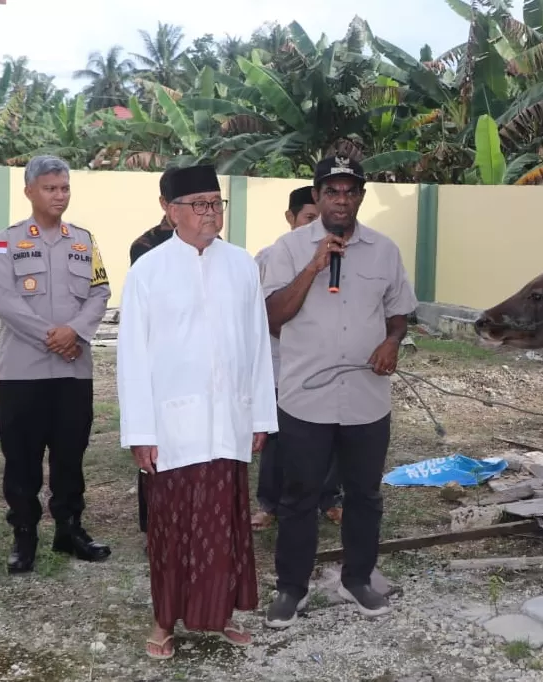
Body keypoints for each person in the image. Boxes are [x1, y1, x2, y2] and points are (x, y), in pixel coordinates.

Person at [117, 164, 277, 657]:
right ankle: (165, 621)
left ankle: (220, 613)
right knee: (172, 529)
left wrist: (260, 416)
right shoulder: (148, 271)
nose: (211, 213)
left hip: (228, 419)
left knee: (223, 524)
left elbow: (257, 346)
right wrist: (141, 431)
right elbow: (132, 357)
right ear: (169, 210)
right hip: (172, 426)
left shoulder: (241, 265)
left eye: (216, 203)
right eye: (199, 204)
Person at [261, 156, 418, 628]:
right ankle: (291, 588)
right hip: (304, 400)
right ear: (317, 197)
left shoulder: (385, 251)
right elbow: (272, 317)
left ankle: (358, 579)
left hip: (367, 398)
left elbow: (398, 311)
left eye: (351, 192)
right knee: (299, 496)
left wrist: (392, 342)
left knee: (365, 495)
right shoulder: (287, 250)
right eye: (333, 191)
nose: (342, 200)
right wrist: (314, 266)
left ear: (360, 198)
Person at [0, 155, 112, 574]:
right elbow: (5, 301)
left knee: (70, 456)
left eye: (64, 188)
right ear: (29, 191)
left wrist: (75, 332)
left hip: (74, 372)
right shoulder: (6, 241)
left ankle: (69, 529)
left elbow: (100, 291)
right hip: (23, 373)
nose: (59, 195)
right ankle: (24, 535)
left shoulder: (85, 240)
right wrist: (54, 337)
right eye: (50, 188)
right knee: (21, 459)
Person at [251, 185, 344, 531]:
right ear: (290, 218)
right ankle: (269, 504)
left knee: (332, 431)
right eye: (307, 218)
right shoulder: (268, 258)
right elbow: (265, 315)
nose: (314, 225)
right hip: (282, 364)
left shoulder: (341, 254)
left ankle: (330, 498)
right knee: (279, 437)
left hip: (328, 364)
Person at [128, 165, 179, 534]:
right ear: (166, 203)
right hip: (160, 357)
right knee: (155, 451)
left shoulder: (218, 249)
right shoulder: (145, 247)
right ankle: (154, 526)